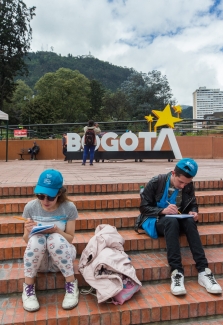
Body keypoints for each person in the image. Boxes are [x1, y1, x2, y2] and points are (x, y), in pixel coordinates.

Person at [139, 158, 222, 296]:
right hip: (157, 220)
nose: (183, 186)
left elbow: (192, 204)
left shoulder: (188, 185)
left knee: (190, 221)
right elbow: (143, 207)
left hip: (178, 219)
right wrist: (162, 211)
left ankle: (204, 271)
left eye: (187, 183)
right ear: (173, 173)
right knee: (170, 222)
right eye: (180, 182)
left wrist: (194, 213)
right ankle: (176, 272)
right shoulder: (156, 182)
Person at [21, 169, 79, 312]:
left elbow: (70, 239)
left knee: (55, 238)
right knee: (36, 239)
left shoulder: (69, 208)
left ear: (59, 193)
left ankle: (71, 285)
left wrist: (57, 230)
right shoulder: (30, 207)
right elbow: (25, 240)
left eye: (50, 197)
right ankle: (28, 288)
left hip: (61, 259)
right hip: (39, 261)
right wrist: (28, 230)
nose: (45, 201)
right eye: (40, 196)